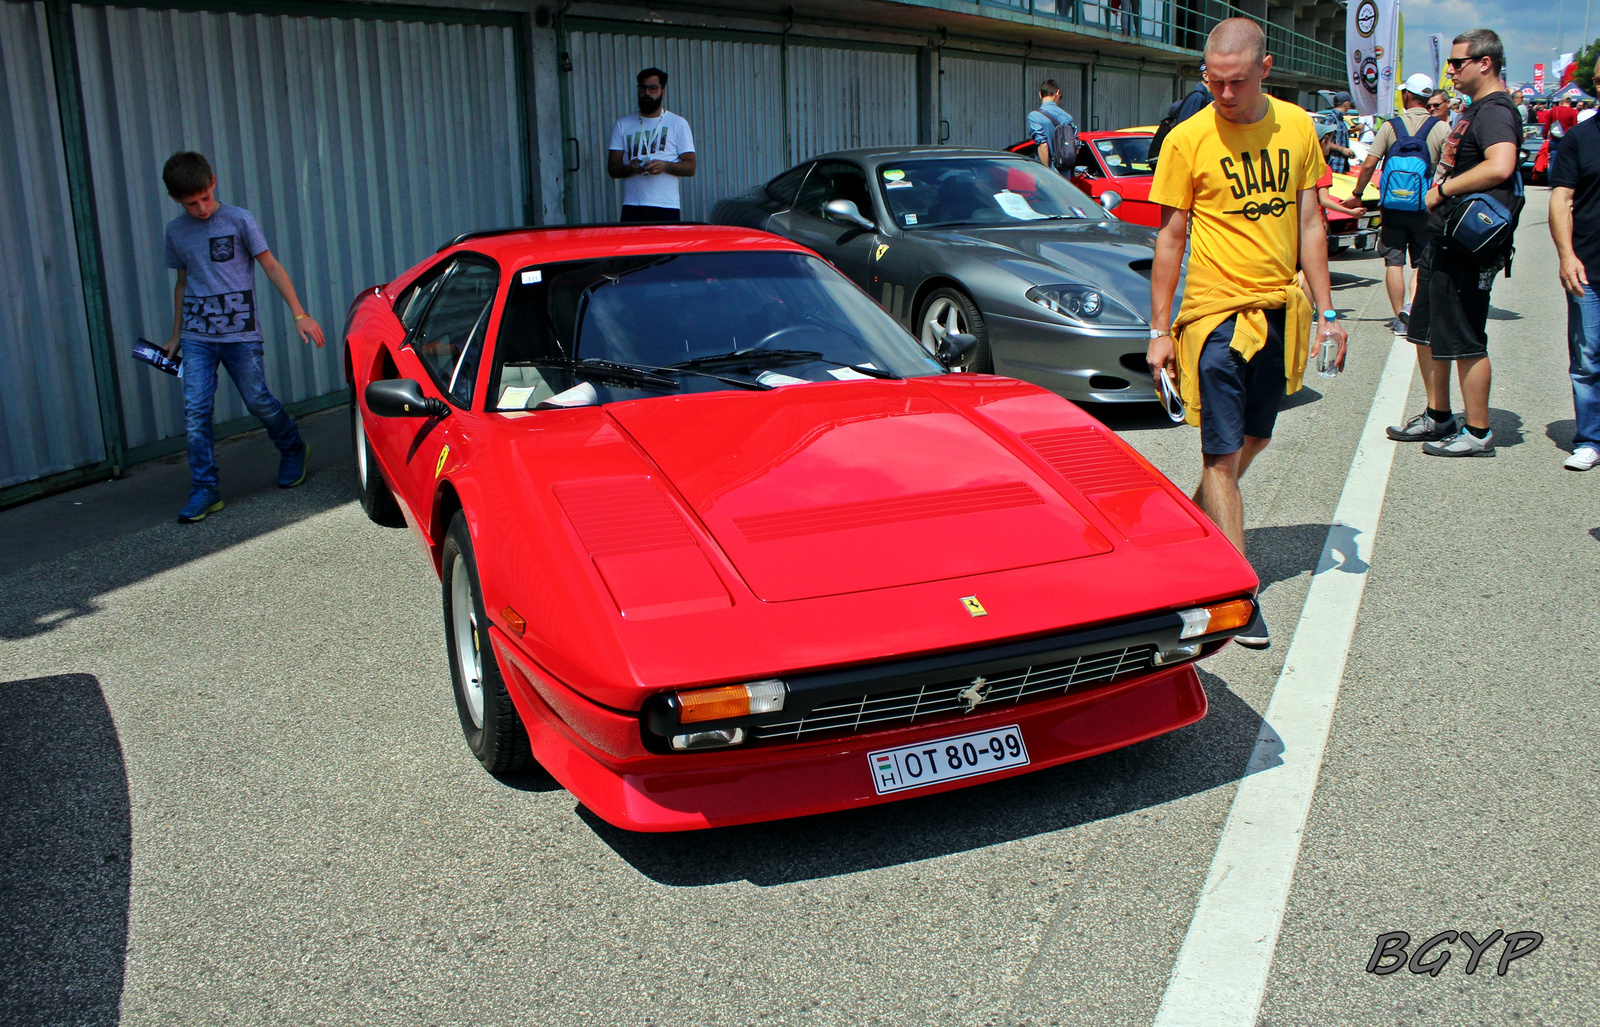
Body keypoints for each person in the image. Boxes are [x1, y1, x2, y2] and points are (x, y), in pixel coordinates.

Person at [1147, 17, 1345, 649]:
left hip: (1279, 310)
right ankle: (1238, 591)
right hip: (1213, 316)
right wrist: (1158, 330)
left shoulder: (1299, 126)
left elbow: (1310, 222)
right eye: (1212, 81)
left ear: (1264, 69)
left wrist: (1329, 310)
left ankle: (1187, 523)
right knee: (1221, 455)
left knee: (1256, 437)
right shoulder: (1187, 138)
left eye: (1234, 83)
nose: (1222, 95)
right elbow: (1170, 238)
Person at [160, 151, 321, 524]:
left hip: (240, 335)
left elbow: (270, 264)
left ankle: (293, 447)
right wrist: (176, 336)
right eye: (191, 202)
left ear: (213, 181)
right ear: (175, 200)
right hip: (198, 335)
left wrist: (300, 314)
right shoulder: (176, 232)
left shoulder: (238, 219)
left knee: (257, 401)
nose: (201, 208)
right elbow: (182, 284)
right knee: (196, 411)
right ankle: (205, 488)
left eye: (204, 197)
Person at [1389, 29, 1522, 456]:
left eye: (1457, 62)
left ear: (1485, 63)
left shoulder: (1496, 110)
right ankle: (1438, 415)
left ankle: (1478, 433)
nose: (1450, 70)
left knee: (1465, 337)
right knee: (1427, 331)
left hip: (1468, 243)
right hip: (1443, 239)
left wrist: (1443, 191)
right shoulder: (1475, 109)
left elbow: (1501, 165)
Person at [1348, 75, 1450, 335]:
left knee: (1394, 262)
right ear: (1428, 99)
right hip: (1424, 205)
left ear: (1406, 96)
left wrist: (1358, 193)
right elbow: (1451, 167)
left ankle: (1398, 319)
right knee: (1421, 261)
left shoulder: (1390, 127)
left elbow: (1370, 163)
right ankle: (1413, 308)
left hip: (1392, 206)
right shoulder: (1440, 128)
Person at [1548, 67, 1600, 470]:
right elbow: (1561, 199)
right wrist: (1567, 255)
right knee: (1587, 357)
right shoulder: (1581, 139)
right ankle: (1590, 439)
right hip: (1589, 266)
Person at [606, 67, 696, 223]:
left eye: (653, 88)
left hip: (666, 206)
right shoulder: (623, 124)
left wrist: (665, 166)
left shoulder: (678, 123)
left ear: (663, 92)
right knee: (632, 247)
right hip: (633, 205)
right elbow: (613, 168)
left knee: (666, 248)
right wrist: (631, 168)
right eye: (643, 88)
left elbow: (691, 167)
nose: (647, 93)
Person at [1025, 80, 1078, 172]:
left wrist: (1047, 172)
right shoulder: (1067, 117)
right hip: (1065, 173)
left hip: (1048, 173)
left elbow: (1043, 145)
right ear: (1057, 92)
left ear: (1040, 94)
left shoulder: (1034, 116)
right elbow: (1076, 147)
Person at [1315, 91, 1357, 172]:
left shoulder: (1340, 120)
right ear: (1346, 103)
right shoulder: (1331, 119)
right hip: (1333, 164)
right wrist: (1343, 150)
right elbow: (1324, 141)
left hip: (1340, 165)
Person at [1541, 97, 1578, 167]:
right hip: (1567, 140)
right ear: (1570, 102)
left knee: (1553, 162)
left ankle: (1551, 177)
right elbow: (1575, 127)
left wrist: (1545, 136)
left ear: (1561, 101)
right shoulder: (1573, 111)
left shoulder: (1553, 110)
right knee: (1566, 163)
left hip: (1554, 139)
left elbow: (1547, 125)